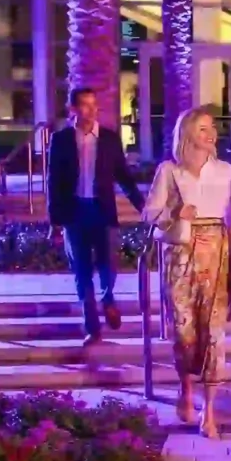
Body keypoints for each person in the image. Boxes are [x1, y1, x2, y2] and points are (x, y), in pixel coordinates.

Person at [144, 108, 231, 438]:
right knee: (184, 331)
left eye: (212, 127)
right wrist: (174, 211)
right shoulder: (169, 171)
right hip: (180, 255)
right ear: (187, 133)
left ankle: (209, 413)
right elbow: (149, 213)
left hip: (216, 254)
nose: (210, 133)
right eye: (202, 128)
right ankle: (185, 388)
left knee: (214, 333)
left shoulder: (227, 171)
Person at [47, 87, 145, 345]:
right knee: (81, 272)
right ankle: (92, 327)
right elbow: (53, 182)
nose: (90, 111)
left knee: (107, 265)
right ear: (73, 109)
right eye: (84, 105)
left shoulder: (110, 139)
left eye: (93, 105)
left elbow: (124, 178)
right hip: (74, 212)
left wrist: (144, 208)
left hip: (102, 212)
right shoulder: (61, 140)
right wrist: (55, 221)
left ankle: (108, 299)